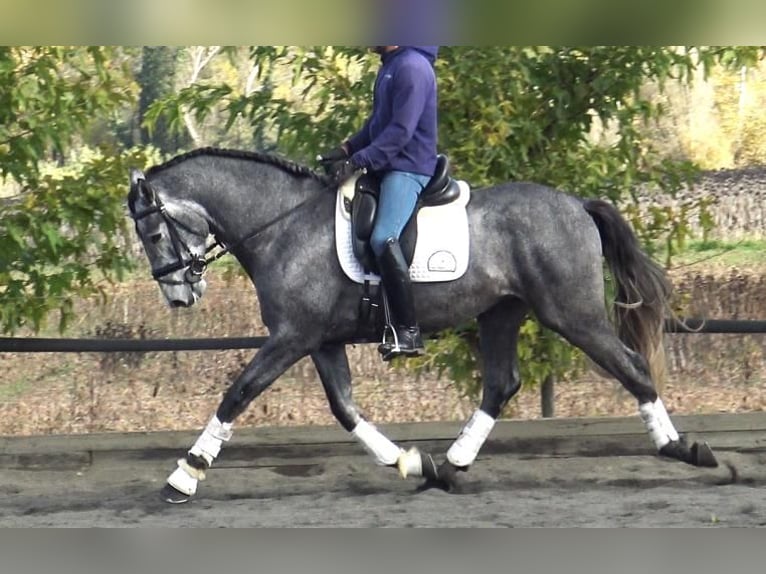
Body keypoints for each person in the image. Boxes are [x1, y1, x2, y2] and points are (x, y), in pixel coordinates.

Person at [319, 46, 439, 361]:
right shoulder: (391, 65)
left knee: (383, 236)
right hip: (389, 163)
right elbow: (377, 125)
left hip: (408, 167)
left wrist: (360, 160)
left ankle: (409, 332)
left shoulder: (412, 67)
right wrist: (346, 149)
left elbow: (400, 132)